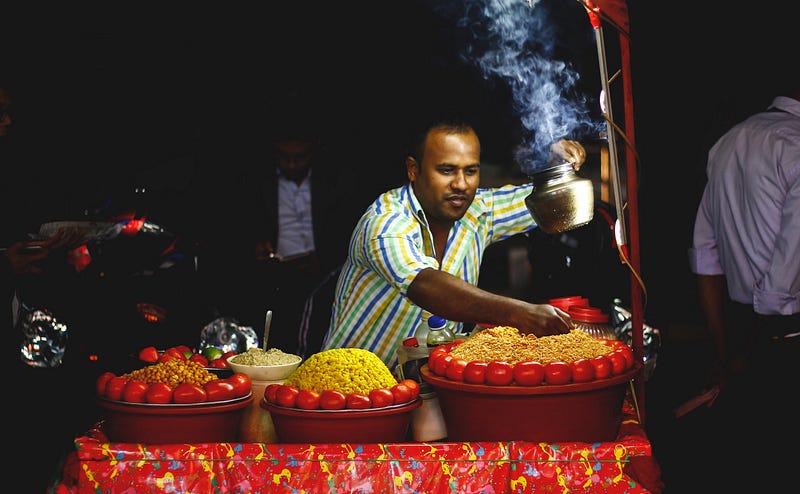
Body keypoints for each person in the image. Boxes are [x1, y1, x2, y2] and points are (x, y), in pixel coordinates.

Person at [321, 117, 587, 371]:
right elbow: (425, 286)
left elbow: (552, 201)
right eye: (446, 170)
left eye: (470, 171)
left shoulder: (479, 211)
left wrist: (556, 168)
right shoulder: (385, 222)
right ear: (414, 170)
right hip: (350, 394)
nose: (461, 184)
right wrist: (520, 313)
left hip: (428, 390)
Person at [688, 84, 799, 488]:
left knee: (755, 465)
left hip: (742, 335)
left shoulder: (727, 143)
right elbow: (782, 285)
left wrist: (724, 350)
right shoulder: (796, 145)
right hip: (784, 340)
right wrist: (752, 342)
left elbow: (705, 257)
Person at [200, 116, 367, 358]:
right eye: (284, 157)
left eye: (299, 158)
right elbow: (236, 225)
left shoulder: (333, 184)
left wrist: (324, 258)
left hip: (320, 272)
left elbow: (346, 229)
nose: (291, 164)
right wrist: (256, 244)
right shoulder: (257, 183)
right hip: (273, 271)